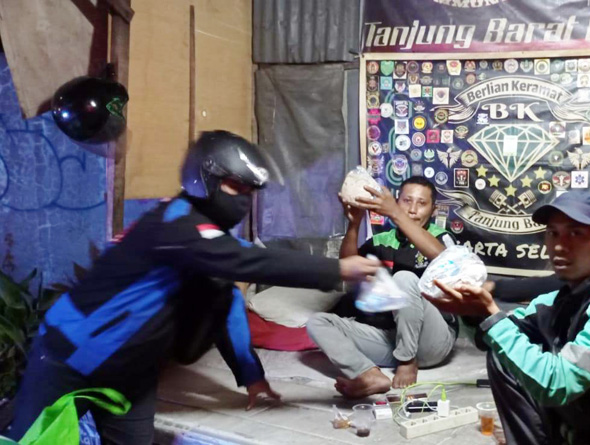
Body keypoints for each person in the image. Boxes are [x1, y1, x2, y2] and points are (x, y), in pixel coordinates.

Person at [6, 131, 380, 444]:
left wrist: (251, 376)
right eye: (235, 186)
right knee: (36, 440)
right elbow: (252, 262)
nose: (243, 199)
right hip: (70, 354)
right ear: (205, 179)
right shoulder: (176, 226)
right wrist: (339, 268)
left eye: (250, 191)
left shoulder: (214, 244)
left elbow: (228, 304)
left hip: (132, 372)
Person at [426, 191, 590, 445]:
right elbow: (495, 335)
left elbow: (558, 385)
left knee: (518, 349)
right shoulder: (555, 300)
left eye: (575, 233)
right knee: (504, 352)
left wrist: (491, 315)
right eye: (553, 233)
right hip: (587, 419)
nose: (560, 246)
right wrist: (473, 312)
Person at [306, 176, 458, 399]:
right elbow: (349, 269)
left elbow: (445, 259)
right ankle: (369, 375)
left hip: (432, 342)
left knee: (404, 278)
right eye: (406, 201)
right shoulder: (382, 240)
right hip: (391, 339)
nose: (412, 209)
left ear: (433, 210)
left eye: (421, 203)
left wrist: (396, 214)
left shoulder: (440, 237)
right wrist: (354, 224)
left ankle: (407, 360)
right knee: (317, 322)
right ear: (396, 202)